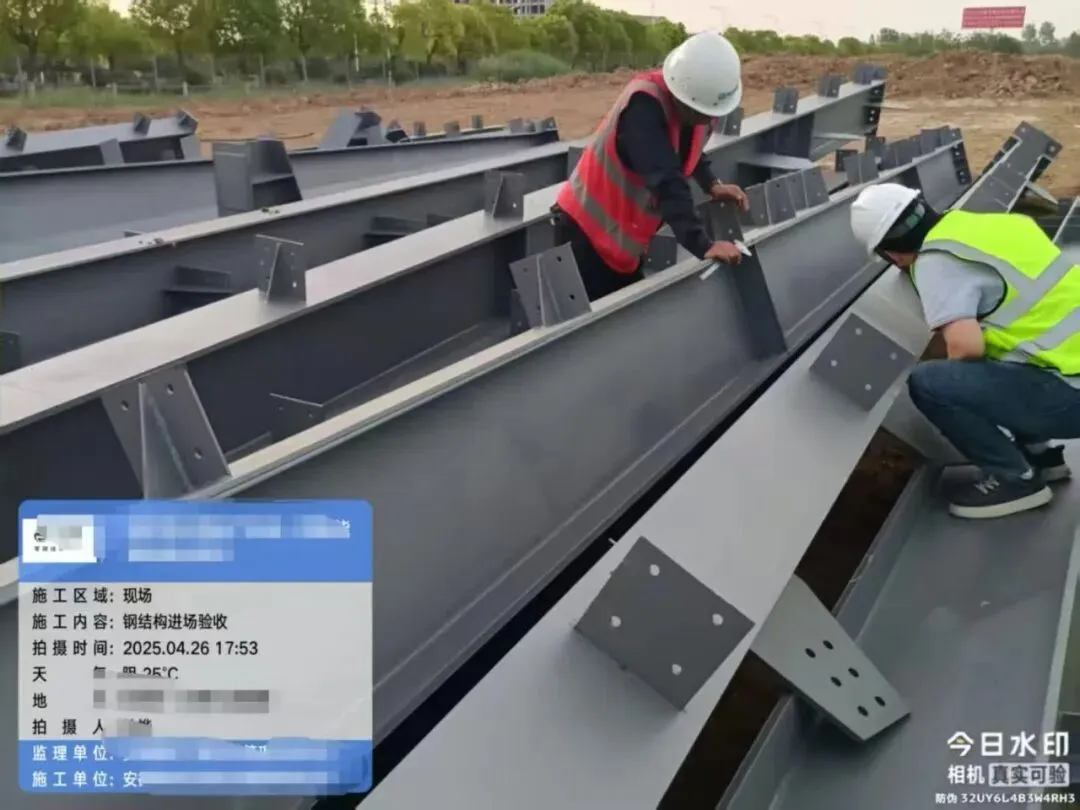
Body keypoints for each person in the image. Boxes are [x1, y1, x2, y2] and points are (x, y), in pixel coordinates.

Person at [850, 182, 1080, 520]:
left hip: (1071, 397)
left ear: (893, 255)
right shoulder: (989, 225)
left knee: (933, 382)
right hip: (1067, 374)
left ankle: (1016, 480)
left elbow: (966, 346)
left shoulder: (936, 261)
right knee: (1009, 353)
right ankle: (1042, 457)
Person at [552, 30, 751, 302]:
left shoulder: (699, 107)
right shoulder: (643, 107)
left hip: (622, 240)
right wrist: (703, 244)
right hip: (586, 231)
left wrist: (711, 184)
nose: (707, 120)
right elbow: (666, 179)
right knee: (603, 319)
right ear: (683, 96)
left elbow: (689, 147)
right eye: (702, 113)